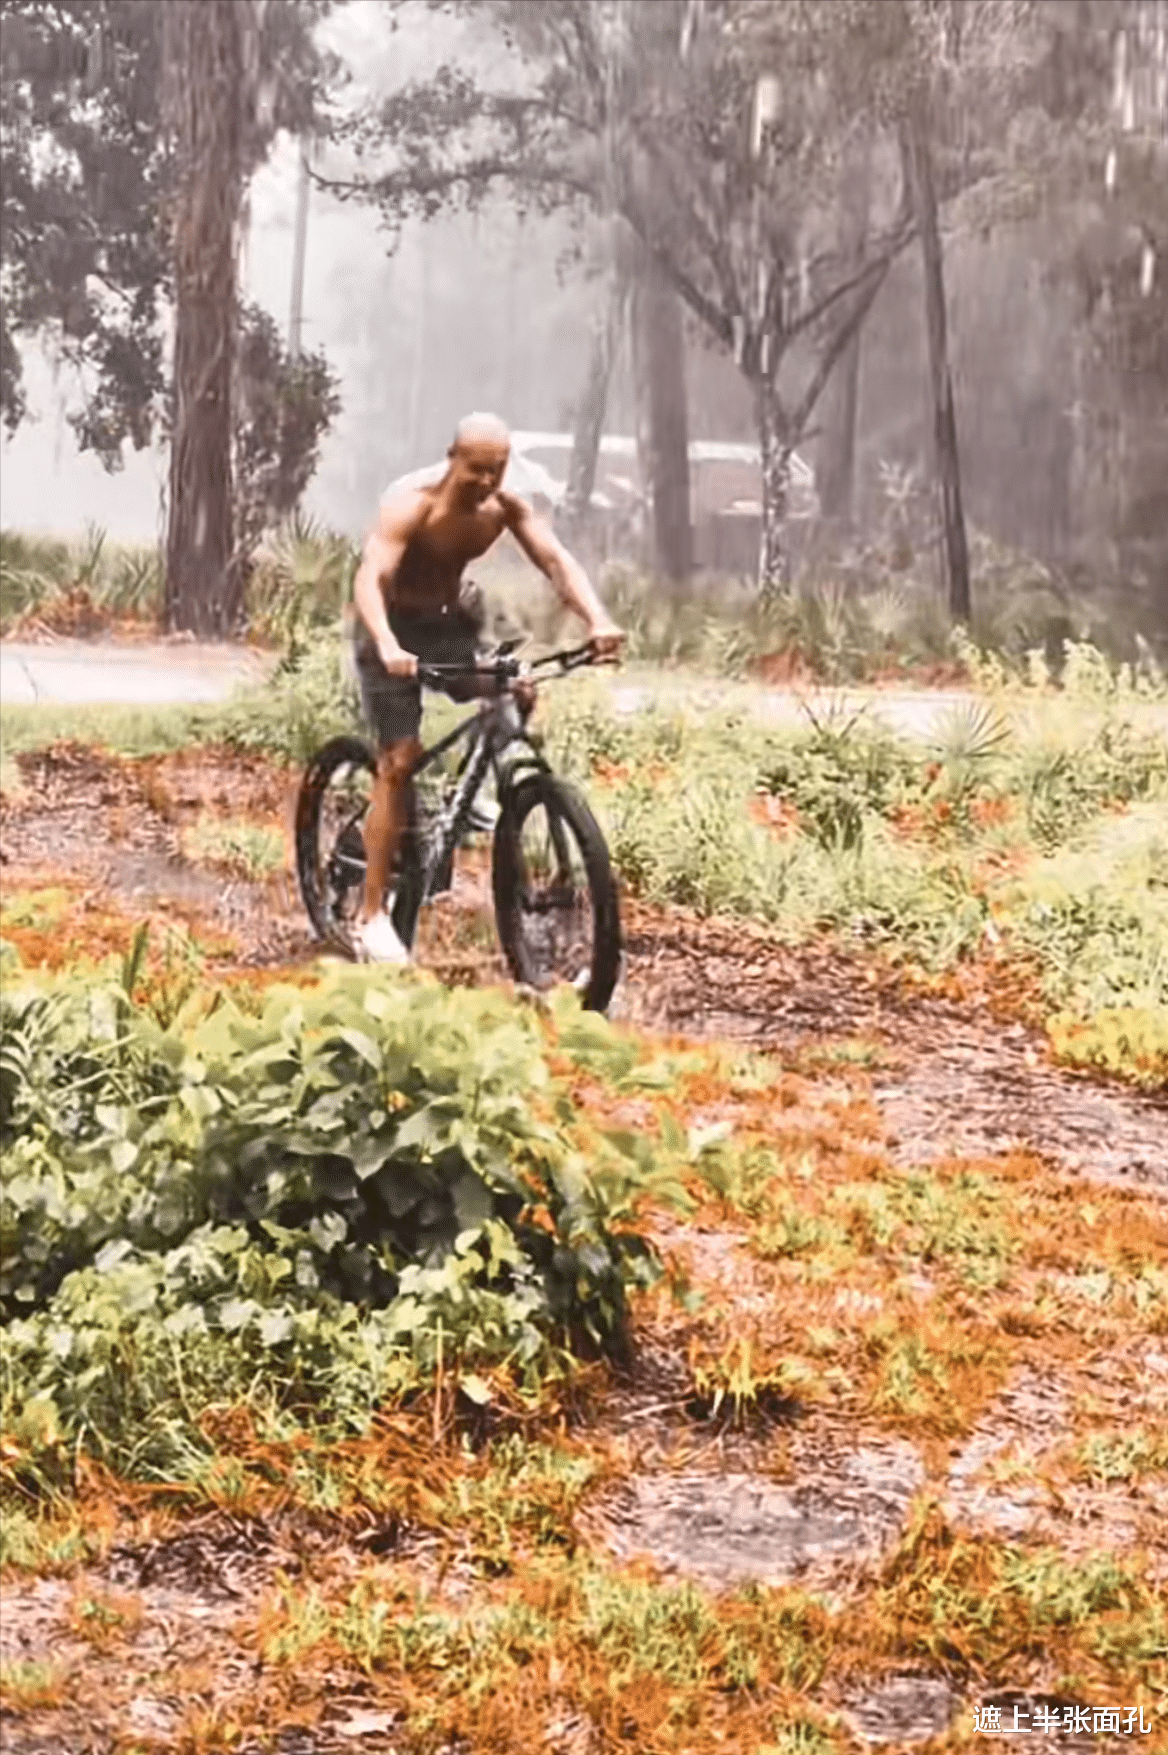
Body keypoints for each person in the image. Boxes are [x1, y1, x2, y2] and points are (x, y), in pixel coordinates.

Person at [350, 411, 625, 964]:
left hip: (446, 626)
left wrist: (597, 619)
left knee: (514, 687)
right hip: (390, 630)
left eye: (497, 470)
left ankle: (476, 795)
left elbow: (554, 559)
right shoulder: (413, 506)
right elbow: (371, 574)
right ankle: (370, 915)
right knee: (400, 759)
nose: (486, 481)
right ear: (453, 458)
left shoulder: (504, 507)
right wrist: (385, 642)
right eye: (476, 469)